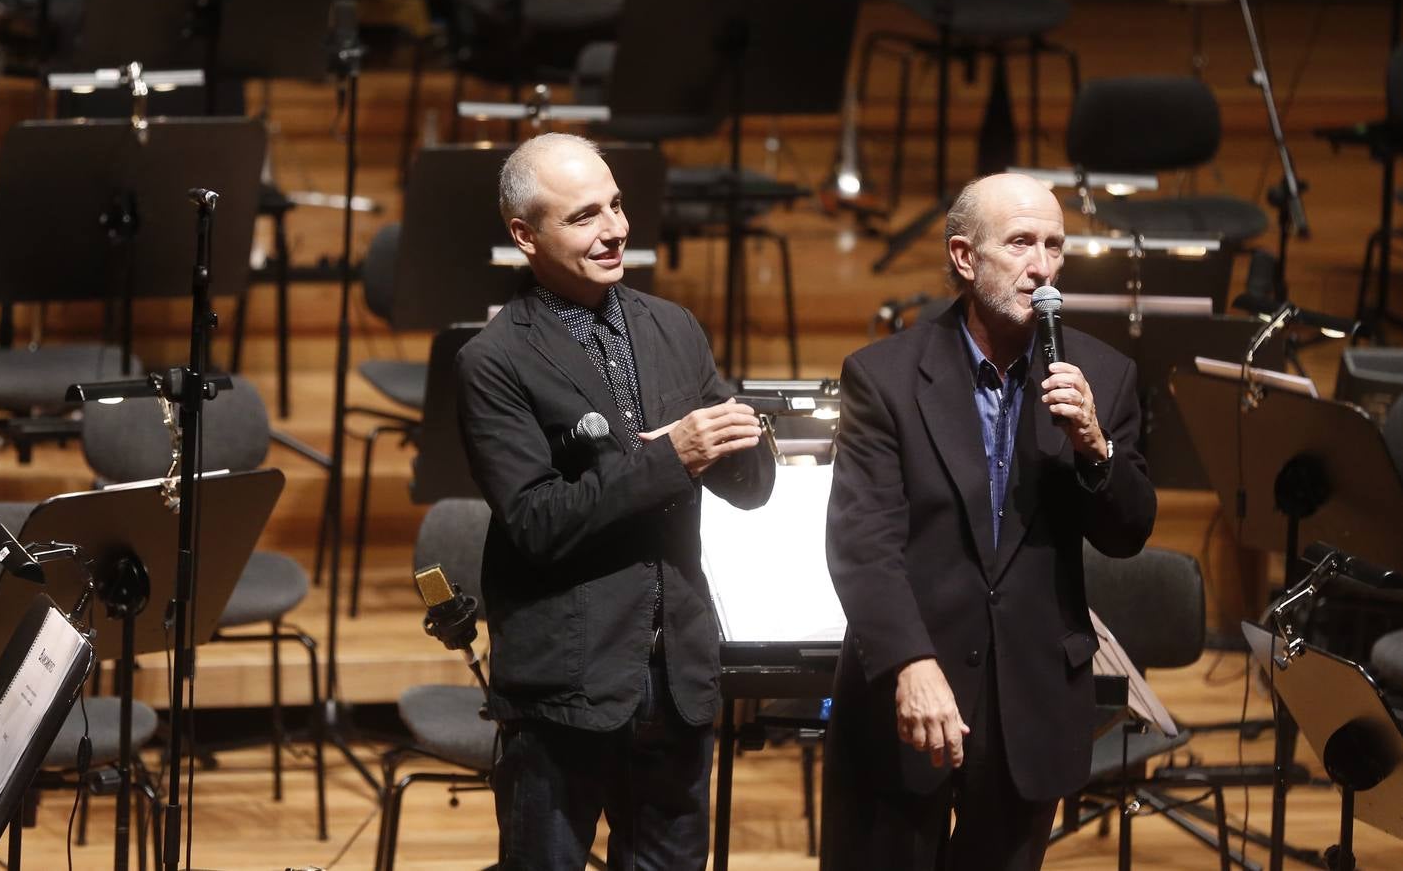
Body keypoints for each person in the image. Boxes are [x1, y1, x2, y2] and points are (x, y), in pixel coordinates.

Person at [455, 132, 775, 870]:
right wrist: (670, 455)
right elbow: (536, 522)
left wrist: (742, 441)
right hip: (569, 679)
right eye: (586, 216)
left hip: (678, 678)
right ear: (524, 235)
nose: (616, 229)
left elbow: (751, 487)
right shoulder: (494, 361)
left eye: (619, 205)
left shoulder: (673, 326)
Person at [819, 172, 1157, 870]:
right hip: (904, 695)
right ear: (965, 258)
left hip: (1029, 704)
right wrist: (911, 663)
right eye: (1022, 244)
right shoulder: (883, 377)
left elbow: (1128, 532)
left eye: (1055, 247)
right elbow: (862, 544)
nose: (1042, 267)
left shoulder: (1104, 374)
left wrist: (1097, 448)